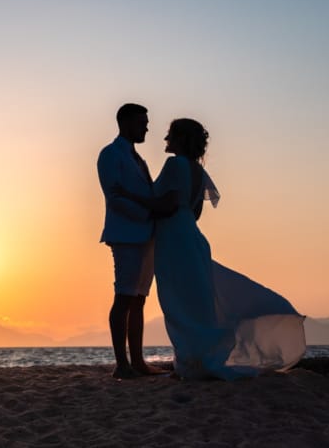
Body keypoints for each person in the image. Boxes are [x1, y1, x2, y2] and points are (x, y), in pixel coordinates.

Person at [123, 118, 306, 379]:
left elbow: (168, 204)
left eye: (170, 135)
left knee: (177, 300)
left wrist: (131, 197)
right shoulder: (198, 172)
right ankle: (194, 358)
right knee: (194, 300)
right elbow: (194, 211)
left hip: (174, 238)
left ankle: (191, 361)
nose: (165, 140)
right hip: (192, 236)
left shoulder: (174, 164)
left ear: (180, 139)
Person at [96, 103, 176, 379]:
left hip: (147, 236)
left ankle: (138, 361)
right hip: (127, 235)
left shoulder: (137, 159)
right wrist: (148, 212)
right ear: (126, 122)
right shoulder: (110, 155)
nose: (146, 128)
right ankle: (122, 363)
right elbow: (114, 198)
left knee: (139, 299)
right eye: (142, 122)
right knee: (123, 296)